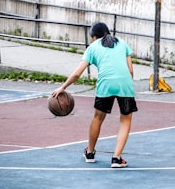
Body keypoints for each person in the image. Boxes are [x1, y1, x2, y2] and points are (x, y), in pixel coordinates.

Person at [52, 22, 138, 168]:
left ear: (93, 36)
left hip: (105, 84)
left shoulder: (93, 47)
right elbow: (130, 71)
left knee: (98, 117)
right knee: (125, 119)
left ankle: (90, 153)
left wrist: (63, 87)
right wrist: (125, 85)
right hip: (125, 84)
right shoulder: (123, 43)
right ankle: (116, 158)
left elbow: (77, 73)